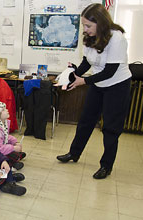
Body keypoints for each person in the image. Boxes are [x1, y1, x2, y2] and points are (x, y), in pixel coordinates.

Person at [56, 3, 132, 179]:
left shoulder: (117, 38)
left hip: (117, 85)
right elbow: (86, 62)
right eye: (84, 25)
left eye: (88, 25)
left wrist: (84, 81)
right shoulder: (89, 37)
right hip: (98, 83)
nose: (85, 29)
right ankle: (74, 154)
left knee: (111, 129)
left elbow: (109, 71)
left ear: (101, 23)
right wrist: (73, 75)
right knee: (85, 121)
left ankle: (106, 166)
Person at [0, 101, 26, 170]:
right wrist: (13, 148)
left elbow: (6, 136)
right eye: (3, 110)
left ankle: (14, 160)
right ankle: (12, 165)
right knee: (13, 155)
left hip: (2, 149)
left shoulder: (2, 124)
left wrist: (14, 142)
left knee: (15, 153)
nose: (7, 110)